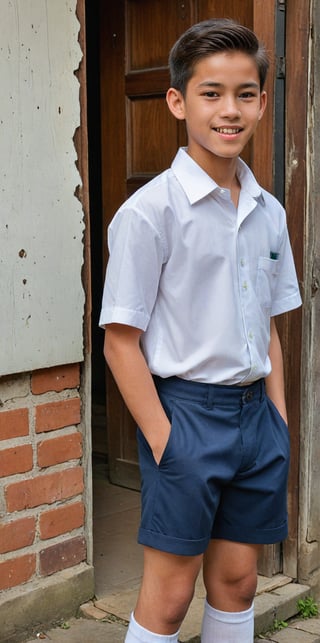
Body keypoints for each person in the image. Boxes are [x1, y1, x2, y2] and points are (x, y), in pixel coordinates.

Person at [99, 18, 302, 643]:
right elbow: (120, 341)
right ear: (178, 101)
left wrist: (279, 419)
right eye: (211, 93)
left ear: (263, 102)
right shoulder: (150, 213)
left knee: (239, 580)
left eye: (245, 94)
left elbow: (267, 321)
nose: (230, 110)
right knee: (169, 594)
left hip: (254, 420)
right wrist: (165, 440)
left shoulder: (269, 212)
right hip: (185, 414)